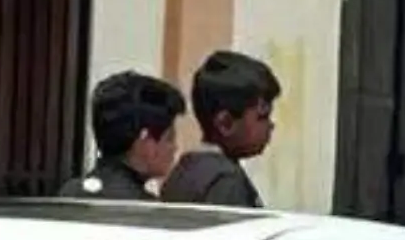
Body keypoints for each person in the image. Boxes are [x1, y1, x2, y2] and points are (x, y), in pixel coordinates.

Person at [160, 49, 280, 208]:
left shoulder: (185, 168)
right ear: (226, 123)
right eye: (262, 117)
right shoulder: (226, 181)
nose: (271, 125)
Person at [57, 71, 186, 200]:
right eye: (169, 138)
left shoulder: (68, 193)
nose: (174, 147)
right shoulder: (145, 211)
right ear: (145, 139)